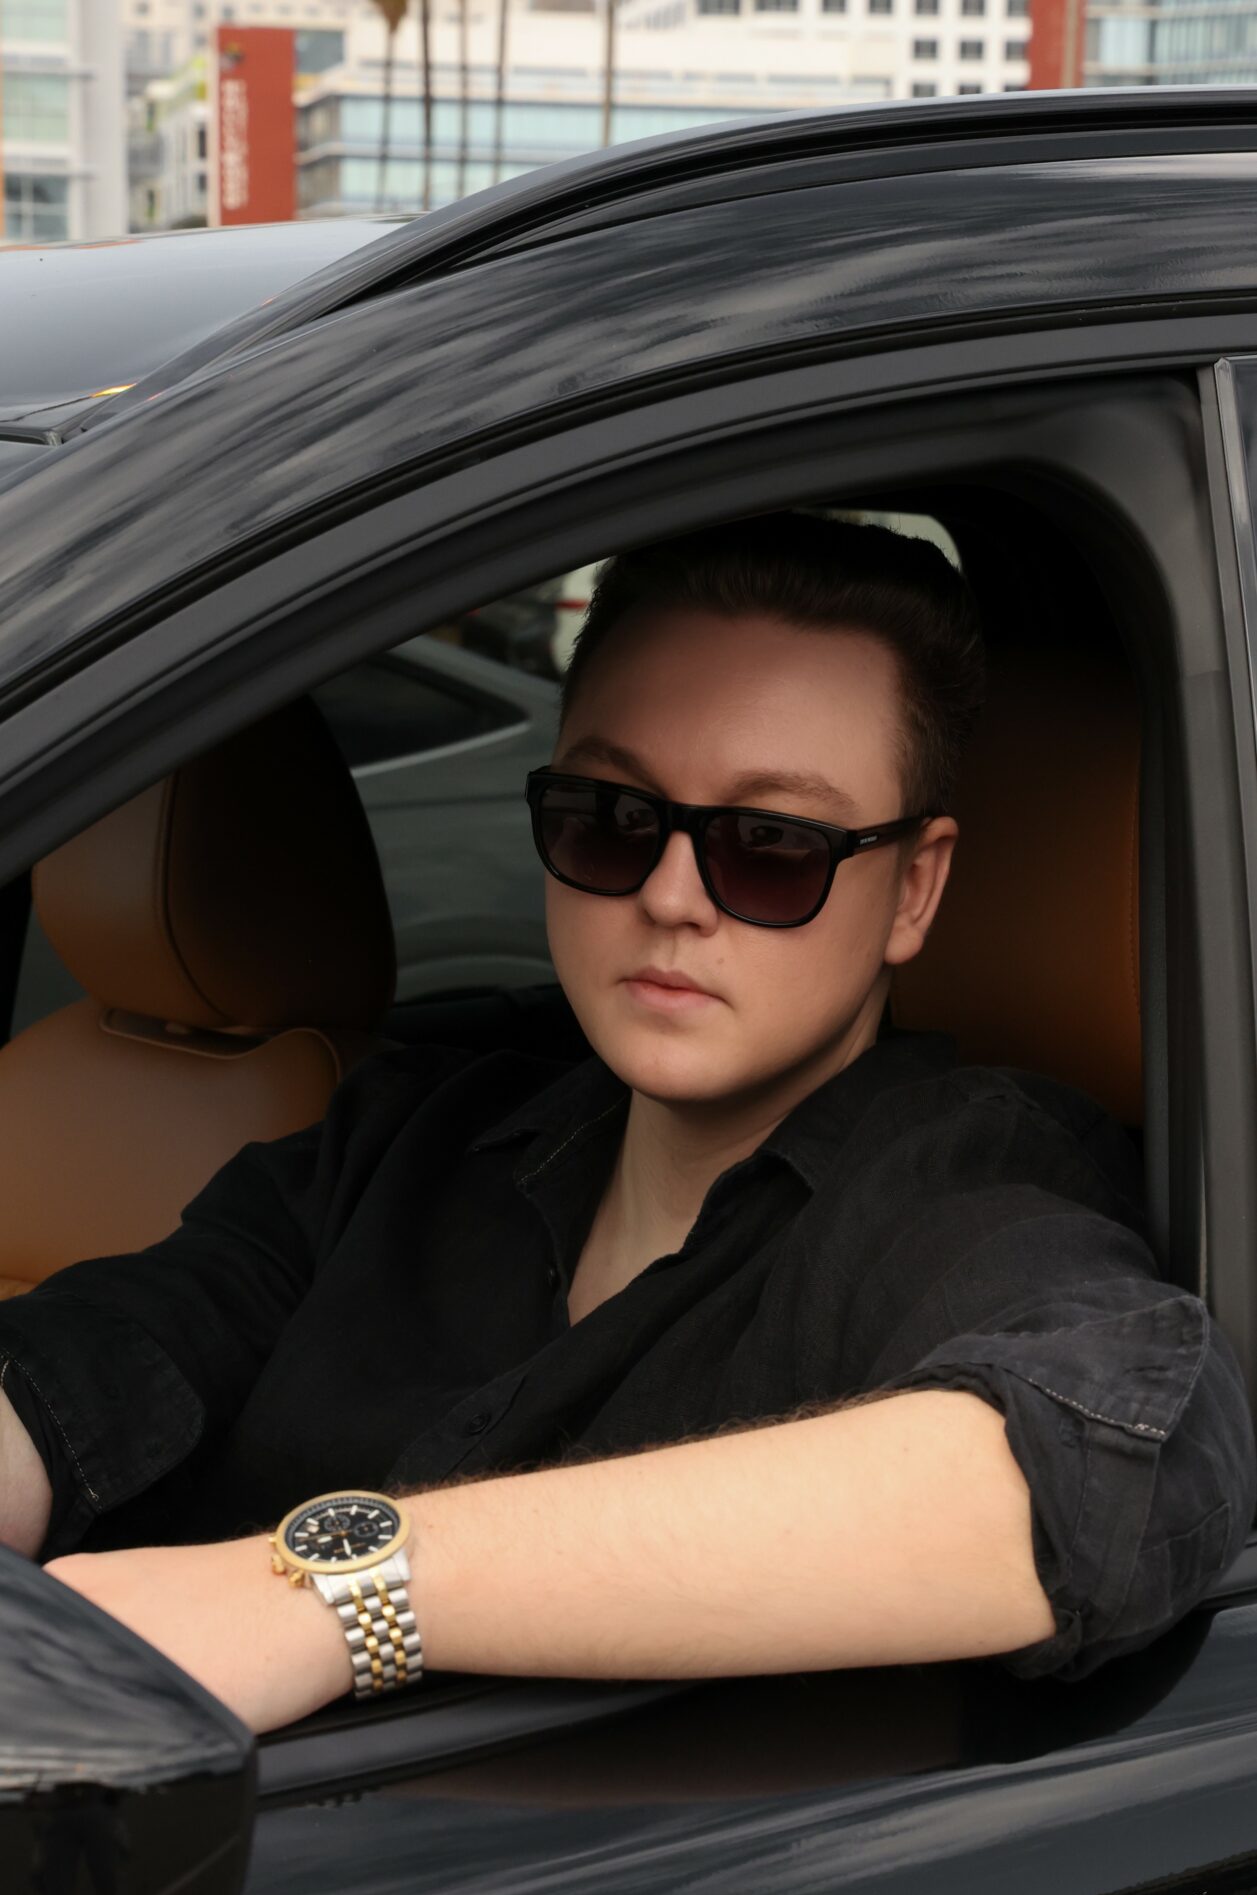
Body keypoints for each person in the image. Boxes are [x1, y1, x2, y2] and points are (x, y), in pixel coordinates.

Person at [0, 513, 1251, 1736]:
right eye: (612, 816)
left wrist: (328, 1592)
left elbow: (1104, 1464)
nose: (669, 895)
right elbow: (86, 1368)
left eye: (771, 845)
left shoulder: (957, 1181)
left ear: (913, 888)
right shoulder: (412, 1130)